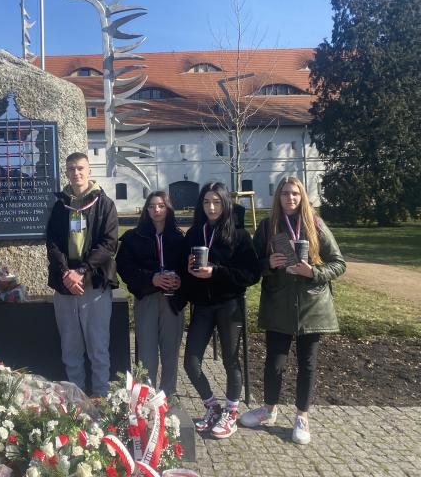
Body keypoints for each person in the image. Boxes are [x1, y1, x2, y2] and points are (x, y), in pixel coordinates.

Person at [240, 176, 345, 445]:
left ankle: (302, 416)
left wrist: (313, 272)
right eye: (286, 193)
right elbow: (250, 265)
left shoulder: (316, 224)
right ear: (279, 197)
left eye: (295, 193)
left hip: (312, 306)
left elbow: (338, 263)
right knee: (274, 362)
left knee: (307, 364)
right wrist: (268, 263)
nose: (291, 198)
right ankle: (269, 409)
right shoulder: (267, 226)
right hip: (278, 304)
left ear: (302, 196)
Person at [177, 182, 260, 439]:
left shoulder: (239, 235)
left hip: (229, 304)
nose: (211, 207)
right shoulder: (193, 234)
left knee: (230, 359)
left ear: (224, 203)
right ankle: (212, 407)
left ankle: (231, 412)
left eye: (216, 202)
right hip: (202, 305)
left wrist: (217, 271)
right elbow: (185, 273)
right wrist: (189, 271)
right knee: (191, 361)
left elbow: (251, 273)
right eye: (206, 202)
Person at [46, 152, 118, 397]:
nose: (76, 173)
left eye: (80, 168)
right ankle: (77, 401)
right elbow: (53, 243)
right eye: (70, 169)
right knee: (71, 349)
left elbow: (109, 244)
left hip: (94, 284)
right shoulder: (60, 206)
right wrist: (67, 273)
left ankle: (100, 400)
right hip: (66, 285)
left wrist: (81, 271)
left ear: (89, 171)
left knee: (98, 349)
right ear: (66, 173)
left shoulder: (105, 204)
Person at [116, 191, 185, 396]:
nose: (157, 210)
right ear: (146, 210)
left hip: (172, 301)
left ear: (168, 209)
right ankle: (145, 397)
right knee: (147, 353)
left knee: (170, 352)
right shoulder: (133, 237)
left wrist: (180, 279)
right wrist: (151, 279)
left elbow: (187, 267)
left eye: (161, 206)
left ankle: (167, 396)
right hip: (146, 297)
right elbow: (124, 268)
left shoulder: (179, 237)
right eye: (152, 206)